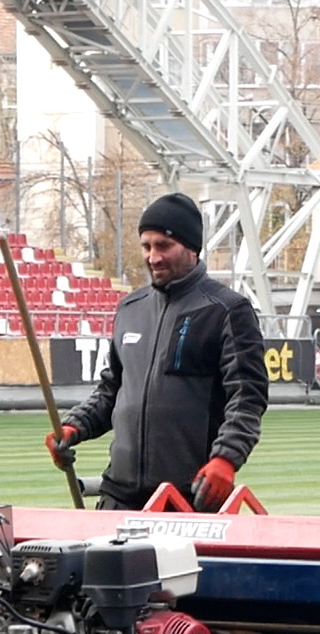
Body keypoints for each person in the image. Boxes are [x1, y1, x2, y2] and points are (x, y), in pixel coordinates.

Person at [45, 192, 266, 511]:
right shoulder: (130, 308)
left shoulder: (228, 310)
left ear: (192, 247)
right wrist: (72, 427)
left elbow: (247, 398)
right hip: (119, 497)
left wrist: (226, 458)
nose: (153, 257)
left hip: (186, 500)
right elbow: (112, 391)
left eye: (164, 245)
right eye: (146, 246)